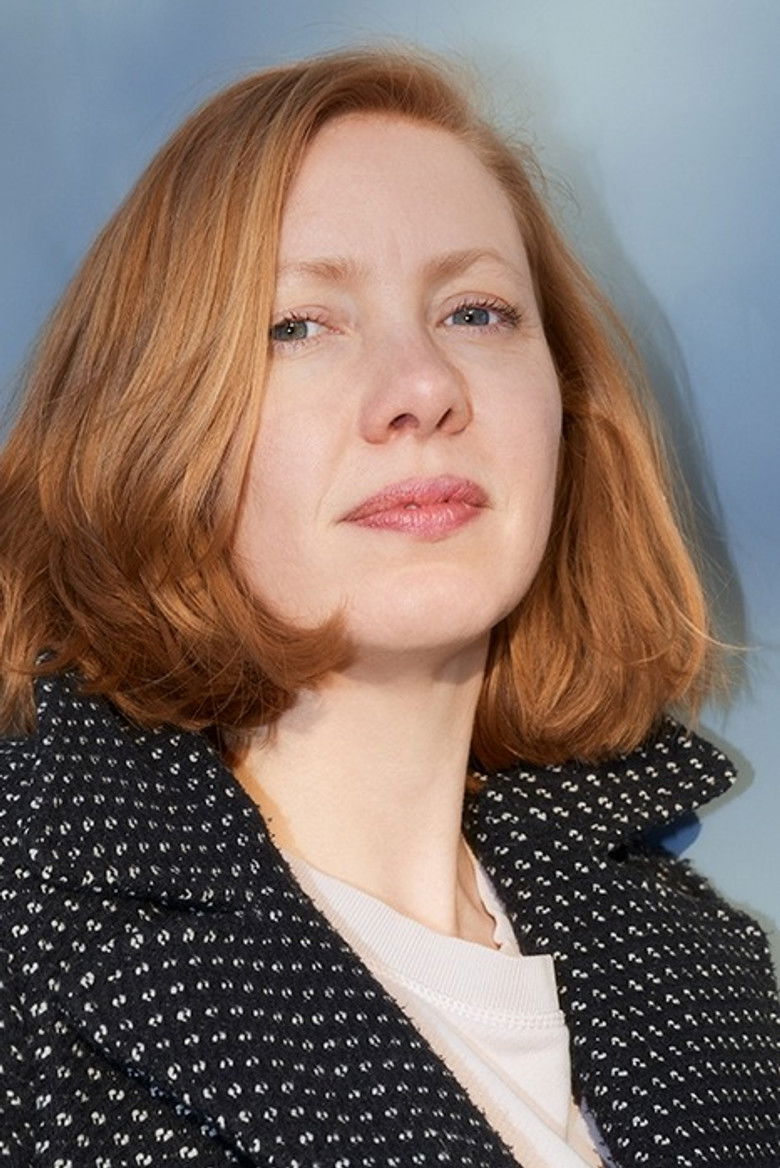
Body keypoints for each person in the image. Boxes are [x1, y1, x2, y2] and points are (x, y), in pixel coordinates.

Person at [0, 46, 777, 1168]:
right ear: (150, 419)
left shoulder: (705, 970)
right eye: (300, 325)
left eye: (477, 313)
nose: (424, 388)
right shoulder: (31, 942)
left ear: (566, 405)